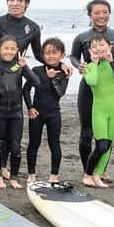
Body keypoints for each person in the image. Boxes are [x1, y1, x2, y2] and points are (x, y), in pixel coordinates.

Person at [0, 0, 61, 182]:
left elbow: (39, 55)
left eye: (19, 0)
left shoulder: (33, 28)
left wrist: (60, 65)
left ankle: (3, 166)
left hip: (14, 79)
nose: (15, 3)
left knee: (9, 129)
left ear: (26, 3)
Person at [69, 0, 114, 181]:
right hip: (89, 88)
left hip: (108, 90)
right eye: (97, 12)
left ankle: (100, 170)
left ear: (109, 13)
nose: (101, 16)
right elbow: (73, 56)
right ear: (90, 15)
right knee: (87, 133)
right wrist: (79, 65)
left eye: (104, 12)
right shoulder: (82, 37)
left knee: (107, 135)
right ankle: (87, 171)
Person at [0, 36, 41, 189]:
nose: (9, 51)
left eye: (12, 49)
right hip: (0, 113)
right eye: (6, 48)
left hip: (16, 114)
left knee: (15, 147)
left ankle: (14, 178)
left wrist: (25, 66)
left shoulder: (19, 67)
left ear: (17, 51)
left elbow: (36, 82)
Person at [23, 37, 69, 183]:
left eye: (55, 52)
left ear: (62, 54)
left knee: (54, 144)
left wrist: (52, 79)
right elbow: (26, 90)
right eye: (47, 53)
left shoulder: (64, 72)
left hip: (54, 113)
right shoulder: (36, 70)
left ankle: (54, 176)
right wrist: (30, 108)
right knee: (33, 144)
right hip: (37, 113)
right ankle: (31, 175)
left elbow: (59, 93)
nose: (51, 56)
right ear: (42, 55)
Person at [82, 36, 114, 188]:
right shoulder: (88, 67)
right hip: (99, 111)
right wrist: (93, 63)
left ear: (109, 46)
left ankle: (98, 174)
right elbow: (92, 81)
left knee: (108, 144)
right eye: (94, 46)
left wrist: (111, 60)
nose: (98, 48)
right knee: (101, 145)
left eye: (102, 44)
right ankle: (87, 175)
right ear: (90, 50)